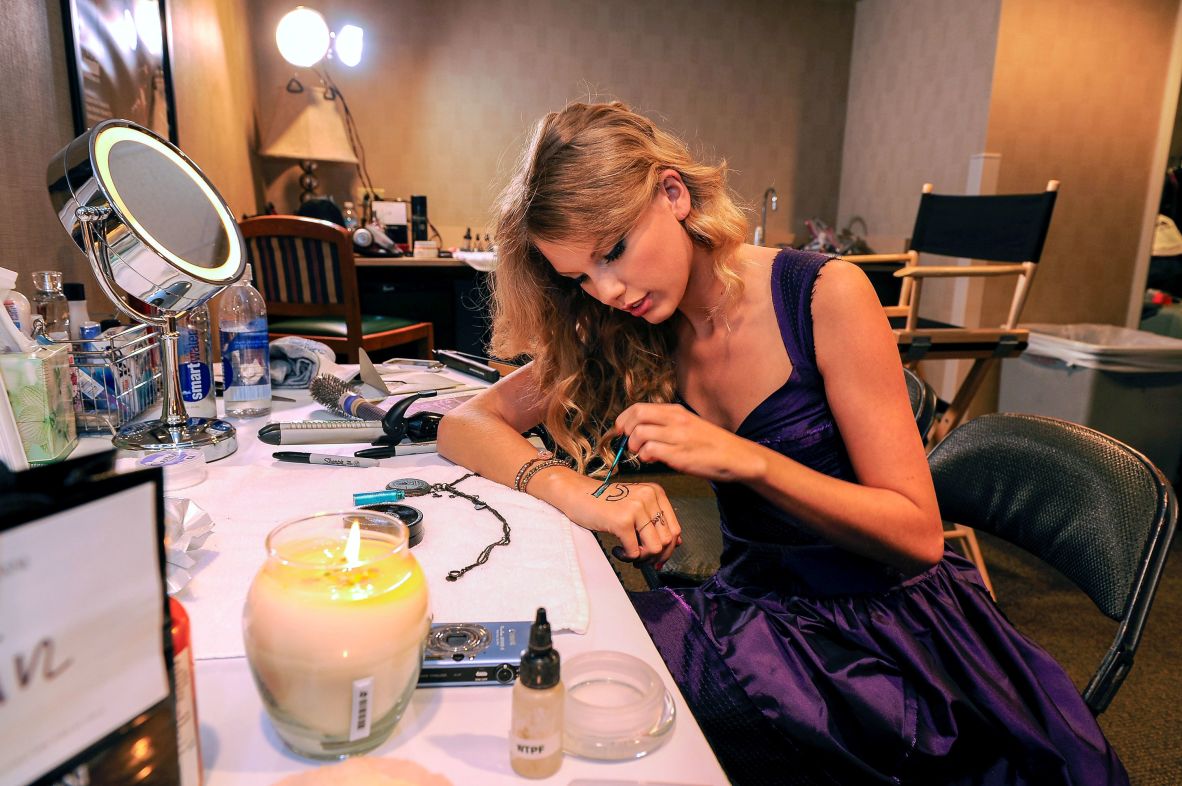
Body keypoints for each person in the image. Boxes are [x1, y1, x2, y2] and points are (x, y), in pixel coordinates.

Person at [437, 101, 1128, 785]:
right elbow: (464, 424)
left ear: (673, 194)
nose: (608, 289)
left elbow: (918, 535)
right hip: (758, 615)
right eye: (580, 277)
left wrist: (750, 460)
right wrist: (582, 493)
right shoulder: (631, 316)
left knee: (606, 719)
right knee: (562, 668)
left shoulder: (826, 295)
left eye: (614, 250)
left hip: (884, 641)